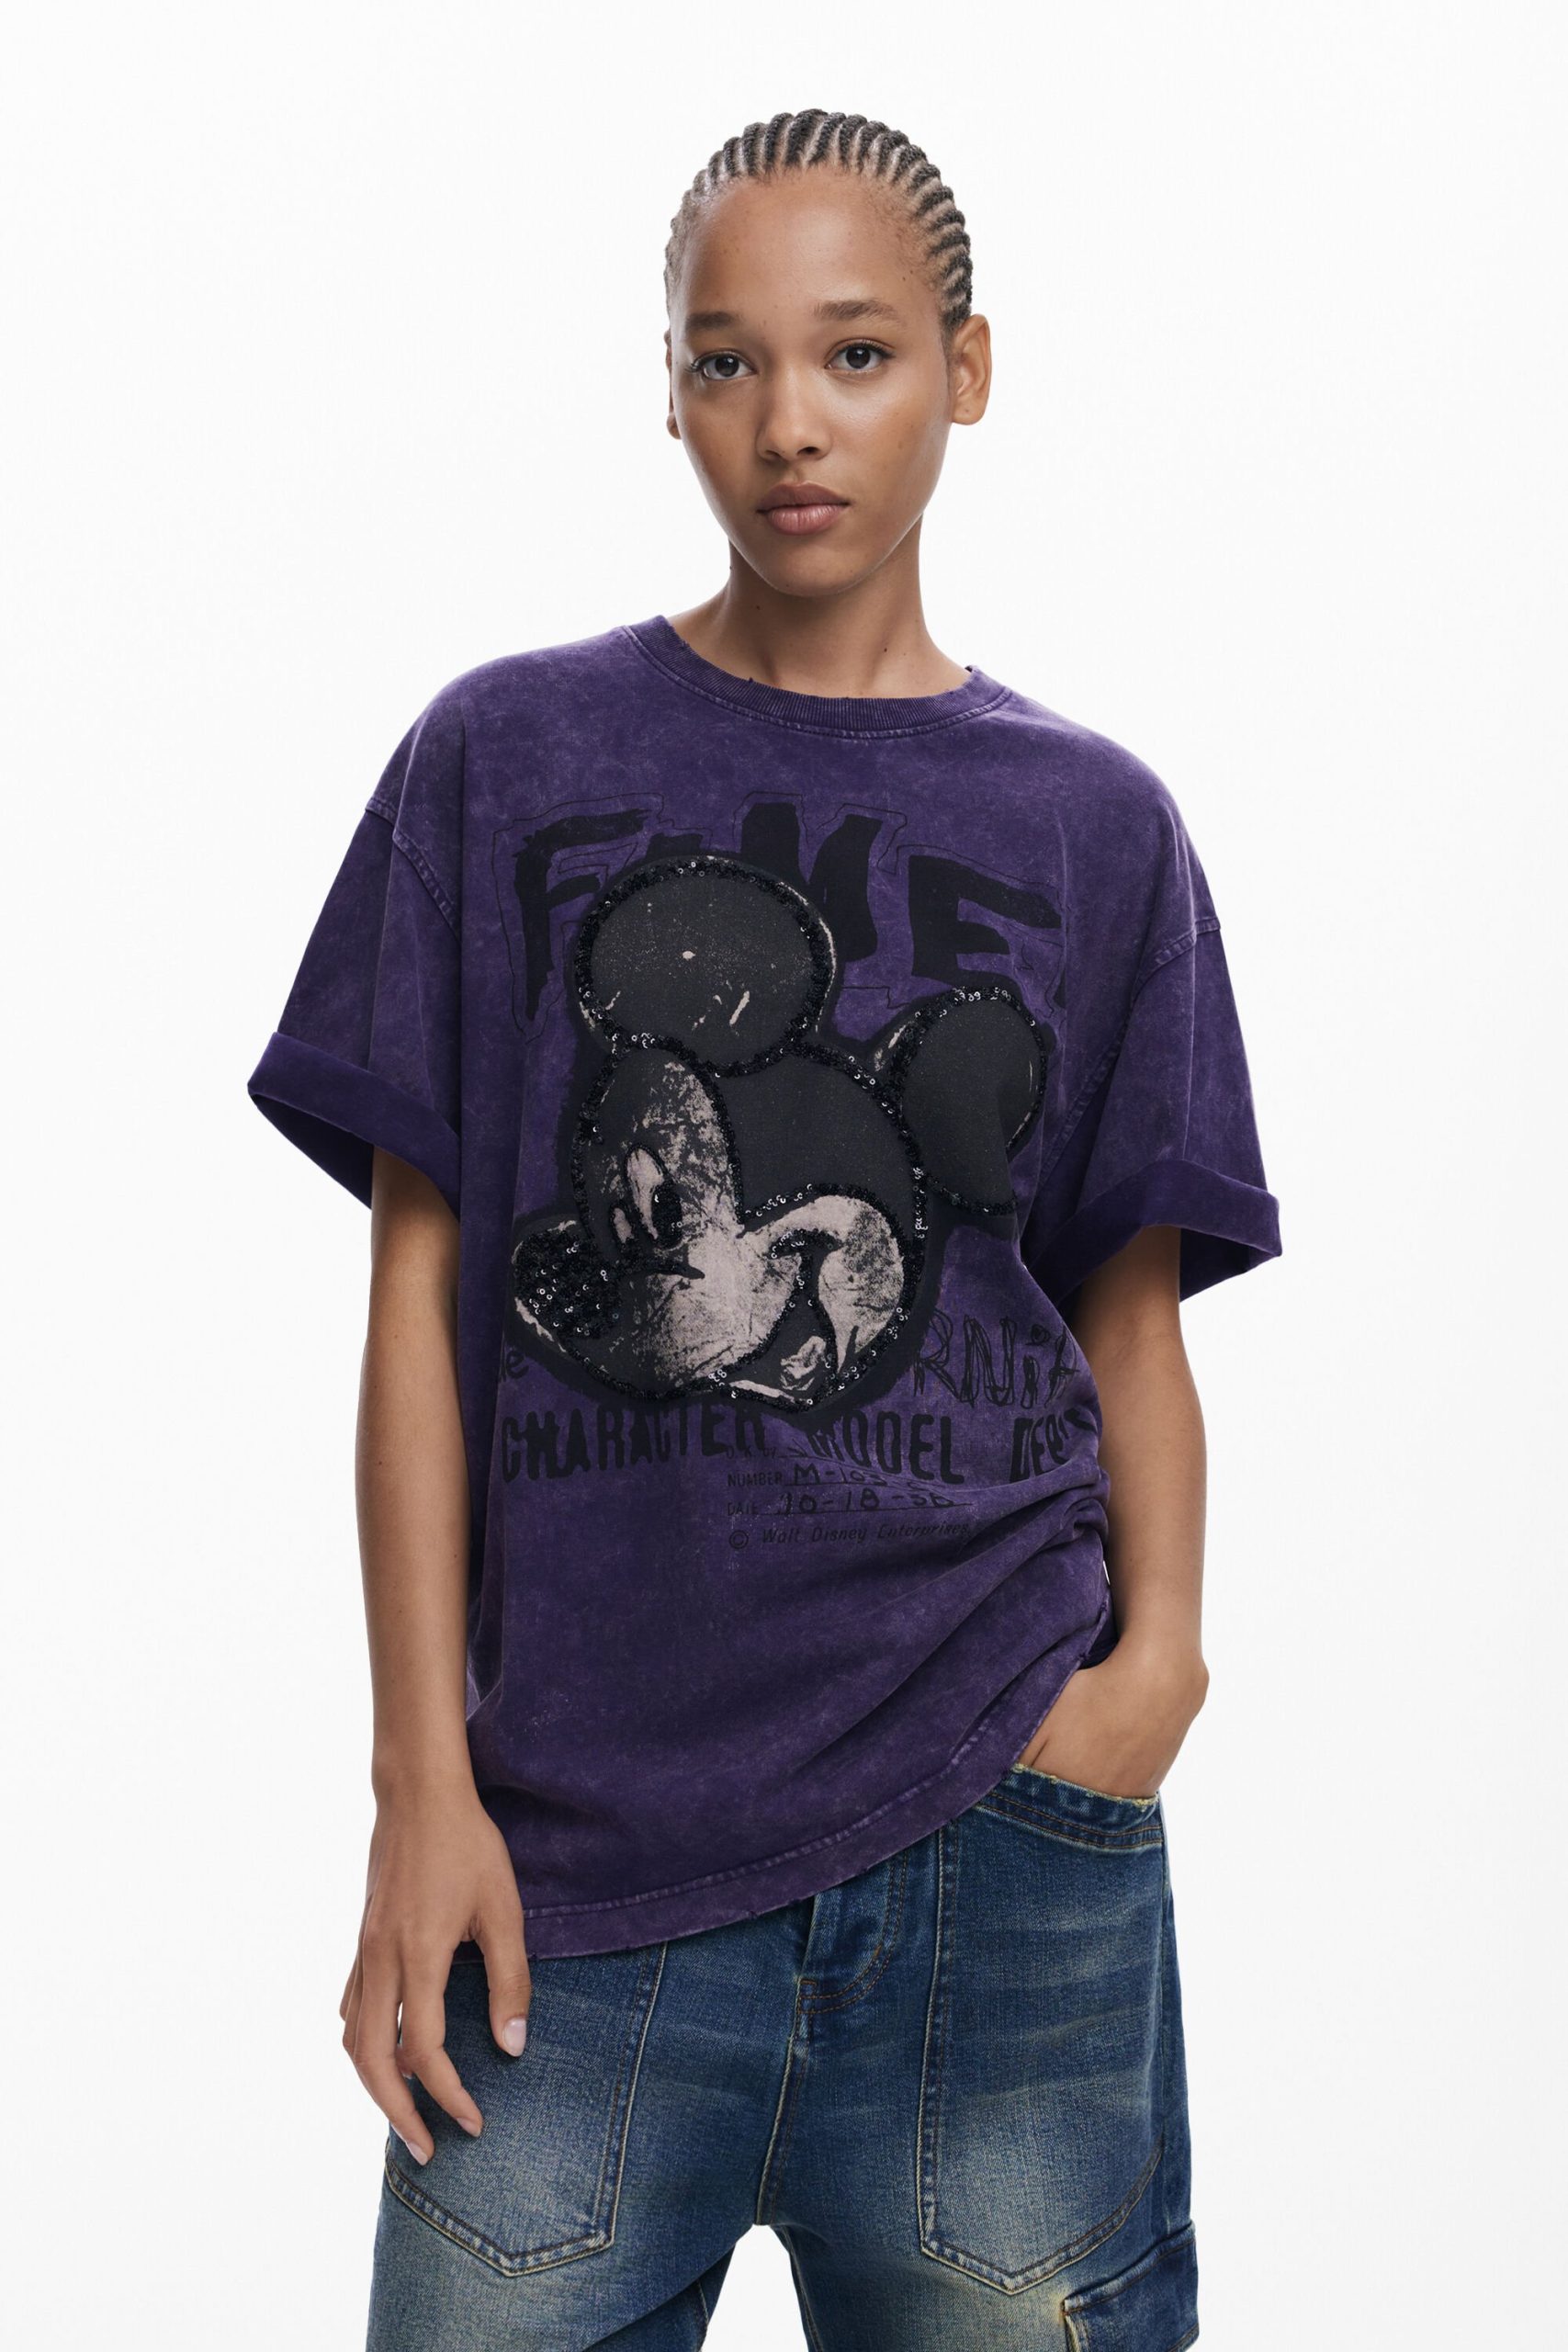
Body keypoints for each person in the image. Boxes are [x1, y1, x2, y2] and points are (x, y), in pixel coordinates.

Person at [247, 107, 1280, 2352]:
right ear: (670, 387)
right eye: (726, 360)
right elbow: (418, 1292)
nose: (787, 420)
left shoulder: (1095, 825)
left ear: (966, 369)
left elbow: (1128, 1315)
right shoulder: (503, 757)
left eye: (854, 353)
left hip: (1001, 1846)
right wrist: (420, 1782)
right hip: (571, 1873)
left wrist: (1153, 1676)